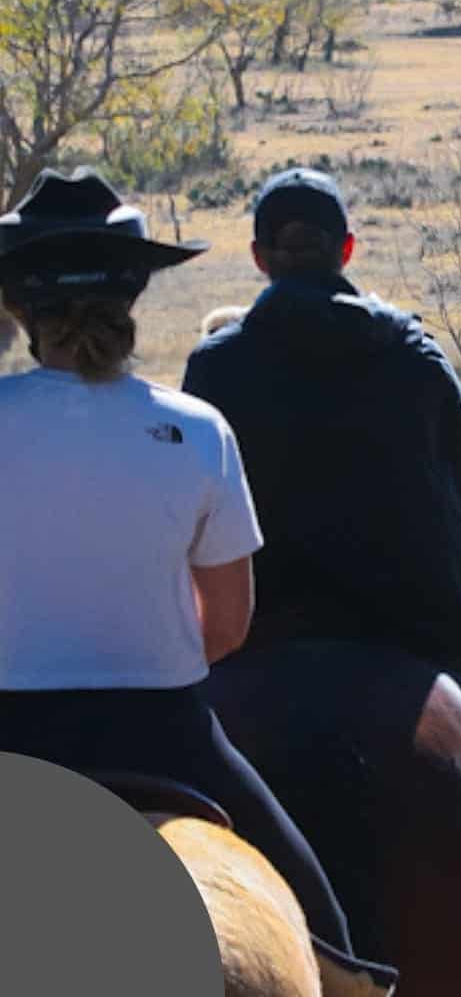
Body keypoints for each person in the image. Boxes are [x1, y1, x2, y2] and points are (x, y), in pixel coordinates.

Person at [182, 167, 461, 997]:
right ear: (347, 250)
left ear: (260, 258)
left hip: (264, 624)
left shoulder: (215, 366)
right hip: (415, 624)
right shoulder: (412, 349)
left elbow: (199, 500)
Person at [0, 167, 395, 995]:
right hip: (166, 737)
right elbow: (227, 627)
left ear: (17, 306)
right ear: (133, 296)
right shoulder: (198, 432)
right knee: (330, 936)